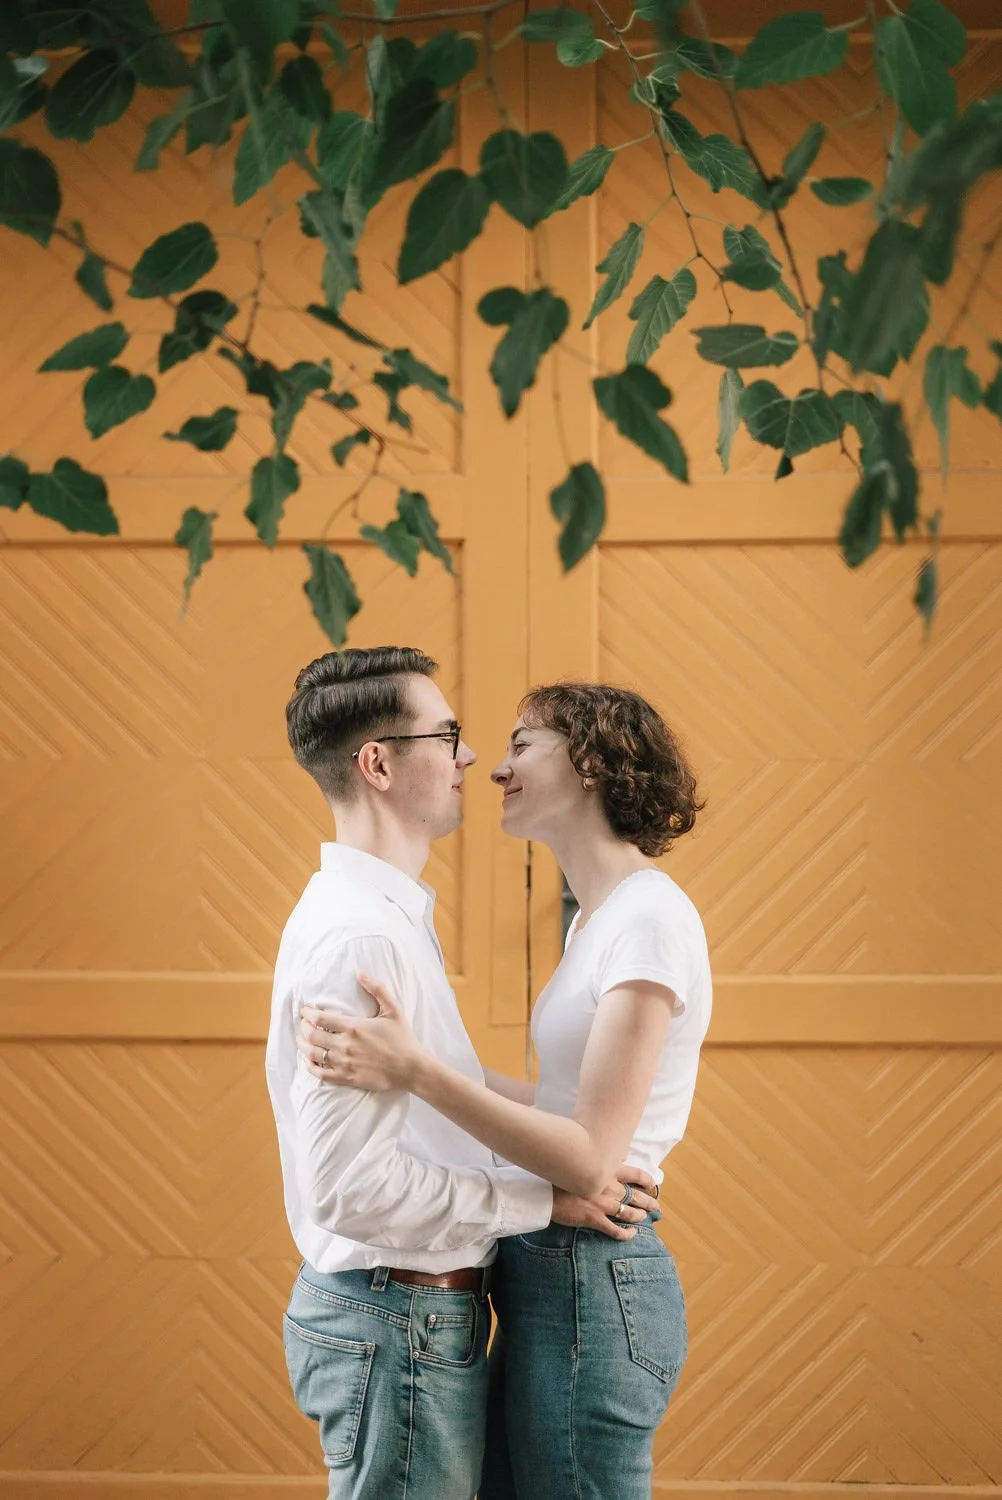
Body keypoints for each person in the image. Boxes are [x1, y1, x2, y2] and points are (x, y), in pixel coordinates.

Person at [298, 680, 712, 1500]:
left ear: (590, 763)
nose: (494, 766)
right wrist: (410, 1055)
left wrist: (418, 1072)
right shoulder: (601, 919)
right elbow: (559, 1105)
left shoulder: (649, 921)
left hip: (595, 1269)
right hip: (551, 1270)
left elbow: (589, 1159)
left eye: (523, 745)